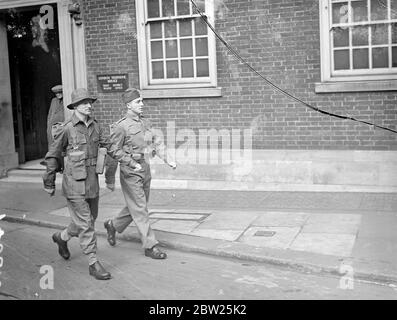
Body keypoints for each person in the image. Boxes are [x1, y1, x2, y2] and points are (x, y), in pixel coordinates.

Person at [42, 88, 116, 281]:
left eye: (90, 102)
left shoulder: (96, 126)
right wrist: (49, 181)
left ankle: (62, 237)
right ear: (75, 106)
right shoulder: (66, 128)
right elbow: (53, 155)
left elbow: (108, 148)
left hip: (92, 183)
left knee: (89, 219)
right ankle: (93, 263)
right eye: (84, 103)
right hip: (74, 184)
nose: (89, 105)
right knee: (86, 225)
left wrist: (121, 162)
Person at [104, 88, 177, 259]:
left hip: (145, 168)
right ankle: (150, 246)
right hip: (131, 171)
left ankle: (112, 225)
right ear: (128, 105)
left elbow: (157, 143)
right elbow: (114, 150)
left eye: (142, 101)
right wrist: (130, 163)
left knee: (137, 206)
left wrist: (169, 160)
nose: (142, 104)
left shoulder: (146, 123)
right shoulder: (121, 126)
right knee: (140, 208)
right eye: (138, 102)